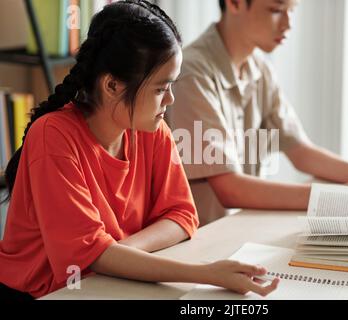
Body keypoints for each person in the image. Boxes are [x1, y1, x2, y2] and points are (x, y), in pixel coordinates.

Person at [0, 0, 279, 299]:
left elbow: (183, 215)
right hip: (45, 294)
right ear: (112, 86)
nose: (170, 99)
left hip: (111, 283)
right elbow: (85, 259)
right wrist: (206, 273)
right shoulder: (53, 136)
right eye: (160, 88)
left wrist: (117, 252)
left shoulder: (151, 128)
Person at [168, 0, 348, 225]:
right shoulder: (192, 74)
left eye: (292, 11)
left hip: (241, 229)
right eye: (276, 10)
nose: (288, 24)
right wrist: (345, 195)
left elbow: (302, 153)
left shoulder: (258, 68)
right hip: (204, 241)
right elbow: (230, 189)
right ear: (235, 3)